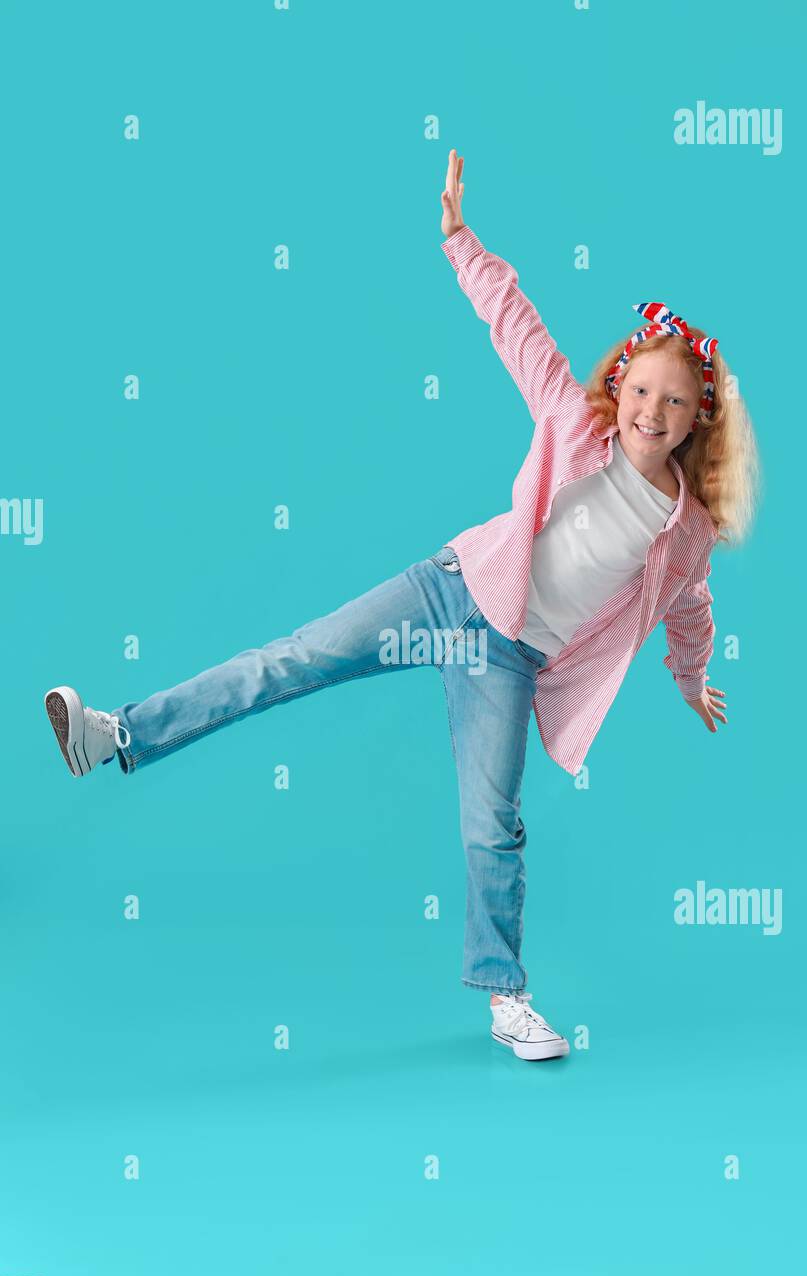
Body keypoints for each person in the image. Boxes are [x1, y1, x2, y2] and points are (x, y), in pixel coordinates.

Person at [43, 149, 760, 1064]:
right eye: (642, 391)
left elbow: (690, 608)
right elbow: (519, 328)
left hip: (509, 659)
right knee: (288, 659)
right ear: (619, 388)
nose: (652, 412)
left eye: (676, 402)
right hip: (448, 589)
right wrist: (463, 241)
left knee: (491, 823)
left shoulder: (686, 529)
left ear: (699, 418)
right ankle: (117, 734)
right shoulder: (573, 424)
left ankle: (506, 998)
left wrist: (691, 680)